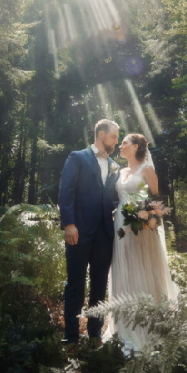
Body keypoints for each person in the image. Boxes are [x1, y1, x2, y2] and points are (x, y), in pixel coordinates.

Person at [106, 133, 178, 354]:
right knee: (123, 269)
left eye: (124, 142)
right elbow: (118, 199)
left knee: (141, 269)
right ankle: (123, 328)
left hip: (142, 230)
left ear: (136, 146)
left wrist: (148, 217)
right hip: (121, 227)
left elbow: (157, 202)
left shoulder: (147, 170)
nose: (120, 145)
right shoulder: (121, 172)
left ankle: (146, 327)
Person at [58, 119, 121, 346]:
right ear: (101, 134)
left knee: (99, 284)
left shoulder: (115, 166)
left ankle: (95, 334)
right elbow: (66, 191)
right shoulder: (78, 157)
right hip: (79, 231)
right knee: (75, 283)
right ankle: (71, 337)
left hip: (105, 233)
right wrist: (69, 224)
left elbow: (114, 197)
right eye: (114, 136)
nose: (116, 141)